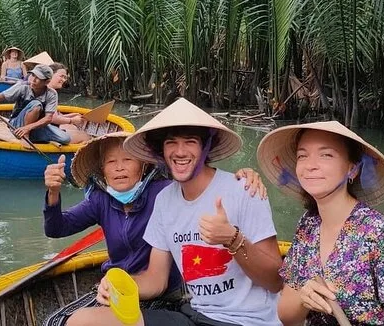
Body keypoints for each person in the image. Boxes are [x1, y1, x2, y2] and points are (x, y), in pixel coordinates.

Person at [67, 98, 283, 326]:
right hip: (196, 316)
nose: (179, 152)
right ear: (160, 150)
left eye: (190, 142)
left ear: (205, 147)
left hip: (247, 320)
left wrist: (233, 239)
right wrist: (117, 285)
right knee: (81, 321)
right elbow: (156, 280)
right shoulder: (164, 200)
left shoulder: (244, 190)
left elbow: (275, 281)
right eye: (171, 142)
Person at [256, 121, 384, 326]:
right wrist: (303, 296)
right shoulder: (308, 225)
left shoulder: (379, 233)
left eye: (326, 155)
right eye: (302, 156)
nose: (310, 165)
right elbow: (287, 317)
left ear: (352, 169)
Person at [0, 64, 70, 145]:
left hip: (34, 127)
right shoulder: (23, 87)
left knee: (65, 139)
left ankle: (31, 134)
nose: (33, 80)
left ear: (46, 82)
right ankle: (26, 137)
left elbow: (48, 118)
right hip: (17, 124)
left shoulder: (51, 94)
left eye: (38, 78)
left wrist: (28, 127)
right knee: (36, 104)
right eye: (33, 75)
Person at [48, 63, 90, 144]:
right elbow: (53, 119)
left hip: (44, 129)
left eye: (65, 77)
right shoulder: (51, 92)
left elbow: (49, 116)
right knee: (86, 136)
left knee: (73, 128)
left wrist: (70, 116)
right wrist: (72, 120)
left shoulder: (43, 88)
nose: (64, 80)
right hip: (45, 132)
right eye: (61, 76)